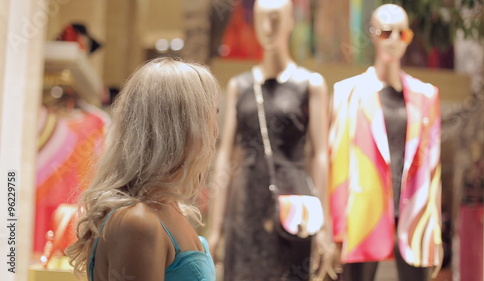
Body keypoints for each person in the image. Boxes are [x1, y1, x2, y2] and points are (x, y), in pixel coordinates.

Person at [207, 0, 332, 280]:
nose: (267, 27)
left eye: (276, 18)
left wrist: (324, 226)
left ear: (290, 22)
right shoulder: (240, 86)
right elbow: (226, 155)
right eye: (262, 19)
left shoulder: (310, 84)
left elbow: (321, 154)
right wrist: (215, 229)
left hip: (293, 201)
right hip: (246, 203)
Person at [66, 58, 220, 281]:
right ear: (182, 129)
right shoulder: (138, 221)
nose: (214, 132)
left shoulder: (166, 207)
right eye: (209, 116)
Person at [328, 4, 442, 281]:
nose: (393, 41)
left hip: (413, 214)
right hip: (365, 212)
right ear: (373, 34)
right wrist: (336, 231)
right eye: (386, 33)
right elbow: (338, 165)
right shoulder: (348, 93)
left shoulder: (426, 96)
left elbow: (433, 168)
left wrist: (434, 230)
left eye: (402, 34)